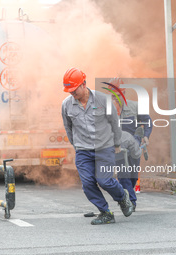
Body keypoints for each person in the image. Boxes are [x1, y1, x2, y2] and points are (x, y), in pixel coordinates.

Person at [61, 68, 133, 225]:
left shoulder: (102, 100)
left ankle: (122, 197)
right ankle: (106, 212)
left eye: (74, 90)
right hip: (83, 151)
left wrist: (117, 144)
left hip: (104, 148)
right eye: (69, 91)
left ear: (84, 84)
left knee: (104, 181)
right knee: (87, 183)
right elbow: (68, 128)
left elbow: (115, 122)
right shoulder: (66, 105)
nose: (71, 93)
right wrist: (77, 146)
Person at [108, 78, 153, 212]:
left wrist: (146, 136)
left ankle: (129, 194)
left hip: (134, 144)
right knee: (123, 173)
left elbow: (148, 122)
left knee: (133, 173)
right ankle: (131, 202)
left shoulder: (135, 107)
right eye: (112, 95)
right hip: (119, 147)